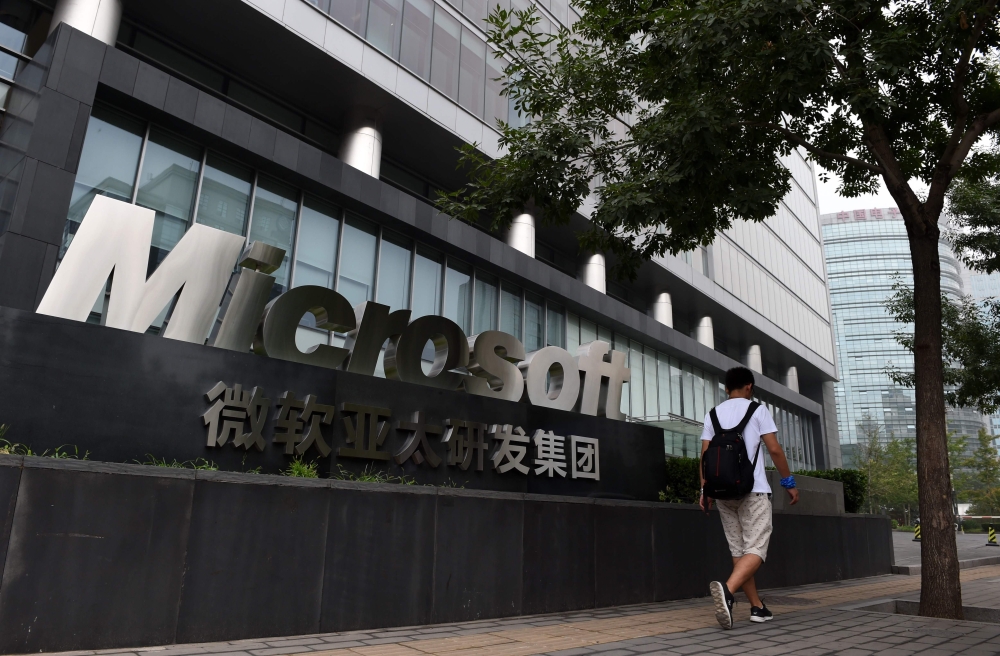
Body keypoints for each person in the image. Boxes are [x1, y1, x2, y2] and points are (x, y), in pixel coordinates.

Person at [700, 366, 800, 629]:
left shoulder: (713, 414)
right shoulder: (758, 410)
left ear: (726, 388)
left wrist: (704, 491)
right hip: (753, 490)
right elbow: (774, 449)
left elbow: (705, 456)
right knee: (756, 549)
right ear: (749, 387)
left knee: (739, 550)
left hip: (722, 493)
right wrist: (788, 482)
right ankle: (728, 590)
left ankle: (757, 607)